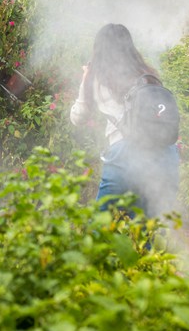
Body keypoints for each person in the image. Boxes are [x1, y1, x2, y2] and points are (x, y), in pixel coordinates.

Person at [69, 23, 179, 219]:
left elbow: (78, 117)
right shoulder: (148, 74)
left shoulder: (96, 76)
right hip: (165, 156)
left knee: (99, 226)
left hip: (125, 156)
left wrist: (86, 77)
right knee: (147, 230)